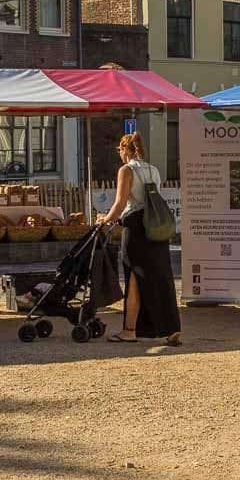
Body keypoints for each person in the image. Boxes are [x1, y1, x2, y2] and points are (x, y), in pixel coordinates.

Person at [97, 133, 182, 346]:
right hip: (156, 227)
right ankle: (172, 327)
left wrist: (105, 220)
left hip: (136, 227)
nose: (119, 154)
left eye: (120, 150)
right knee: (161, 276)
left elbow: (120, 204)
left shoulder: (126, 170)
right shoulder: (153, 170)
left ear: (125, 150)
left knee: (134, 277)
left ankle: (129, 330)